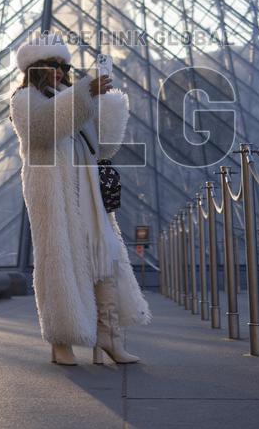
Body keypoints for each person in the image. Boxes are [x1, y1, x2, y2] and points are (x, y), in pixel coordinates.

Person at [9, 32, 152, 366]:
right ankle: (62, 340)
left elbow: (104, 146)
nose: (59, 71)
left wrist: (108, 104)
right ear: (34, 68)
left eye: (62, 65)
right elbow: (43, 129)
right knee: (59, 259)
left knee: (105, 255)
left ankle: (109, 337)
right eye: (52, 65)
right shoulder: (24, 99)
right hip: (52, 190)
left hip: (85, 186)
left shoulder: (70, 95)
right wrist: (84, 93)